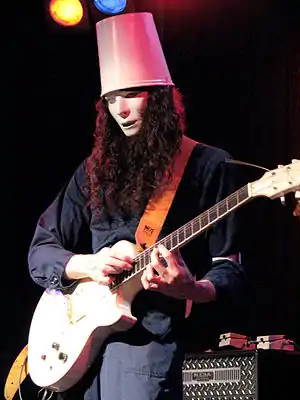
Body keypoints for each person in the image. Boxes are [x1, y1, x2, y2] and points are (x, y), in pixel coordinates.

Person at [28, 12, 247, 400]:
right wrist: (88, 264)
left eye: (131, 95)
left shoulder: (208, 165)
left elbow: (229, 268)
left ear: (160, 97)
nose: (121, 110)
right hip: (78, 348)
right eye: (111, 99)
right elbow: (41, 251)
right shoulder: (94, 170)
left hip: (148, 350)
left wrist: (192, 289)